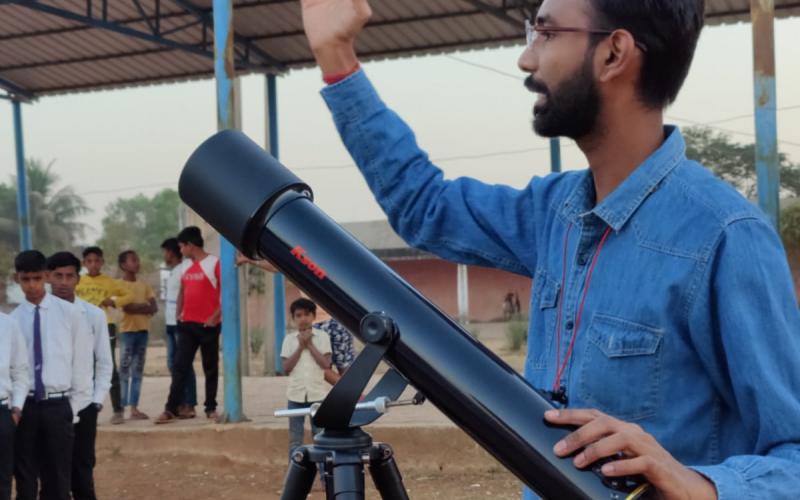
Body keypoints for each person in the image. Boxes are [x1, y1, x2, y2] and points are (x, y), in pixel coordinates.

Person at [299, 1, 800, 498]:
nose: (527, 59)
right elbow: (424, 207)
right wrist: (337, 55)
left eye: (545, 32)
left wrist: (701, 487)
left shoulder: (724, 237)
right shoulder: (553, 212)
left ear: (614, 53)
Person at [10, 250, 93, 500]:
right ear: (17, 279)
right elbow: (14, 368)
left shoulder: (70, 314)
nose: (32, 285)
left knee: (58, 477)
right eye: (26, 280)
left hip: (59, 404)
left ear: (46, 276)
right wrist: (16, 406)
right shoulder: (14, 320)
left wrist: (73, 407)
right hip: (26, 406)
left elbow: (82, 364)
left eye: (37, 278)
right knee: (25, 476)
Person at [47, 252, 113, 500]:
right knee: (51, 472)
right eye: (58, 276)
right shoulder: (38, 316)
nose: (63, 282)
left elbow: (105, 362)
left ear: (78, 279)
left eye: (69, 276)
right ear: (48, 277)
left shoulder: (93, 315)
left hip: (84, 405)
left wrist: (96, 400)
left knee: (83, 473)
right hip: (48, 405)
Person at [235, 253, 356, 382]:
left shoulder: (311, 260)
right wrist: (250, 260)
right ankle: (354, 396)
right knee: (333, 365)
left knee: (332, 366)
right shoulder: (313, 260)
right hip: (328, 321)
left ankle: (354, 396)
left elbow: (276, 267)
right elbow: (276, 267)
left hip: (328, 321)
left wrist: (250, 260)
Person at [156, 226, 221, 423]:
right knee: (179, 367)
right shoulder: (184, 266)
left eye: (182, 247)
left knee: (210, 367)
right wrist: (179, 316)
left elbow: (226, 293)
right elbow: (183, 291)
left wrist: (214, 316)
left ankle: (210, 407)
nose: (180, 251)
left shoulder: (214, 263)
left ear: (190, 246)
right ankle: (171, 408)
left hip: (209, 325)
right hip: (187, 325)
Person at [75, 246, 132, 425]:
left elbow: (128, 295)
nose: (93, 264)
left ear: (102, 262)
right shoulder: (78, 281)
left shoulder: (108, 282)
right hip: (81, 328)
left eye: (97, 261)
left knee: (109, 366)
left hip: (105, 327)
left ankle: (118, 410)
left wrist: (113, 301)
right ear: (84, 263)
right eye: (89, 261)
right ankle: (88, 409)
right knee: (85, 367)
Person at [281, 298, 332, 457]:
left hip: (318, 396)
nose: (303, 318)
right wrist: (300, 347)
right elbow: (286, 368)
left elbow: (326, 364)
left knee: (321, 437)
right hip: (295, 397)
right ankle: (295, 476)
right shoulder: (289, 340)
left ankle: (325, 476)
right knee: (295, 440)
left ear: (313, 316)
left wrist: (309, 345)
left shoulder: (323, 337)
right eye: (299, 315)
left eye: (307, 315)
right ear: (293, 318)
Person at [116, 250, 157, 421]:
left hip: (142, 331)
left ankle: (134, 408)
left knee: (138, 370)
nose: (137, 263)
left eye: (137, 259)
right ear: (124, 265)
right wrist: (143, 307)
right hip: (127, 332)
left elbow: (154, 308)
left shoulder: (144, 285)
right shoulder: (118, 285)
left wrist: (136, 306)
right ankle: (121, 407)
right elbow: (126, 308)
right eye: (133, 260)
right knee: (124, 370)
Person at [160, 238, 197, 419]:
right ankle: (180, 401)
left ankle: (189, 403)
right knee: (173, 364)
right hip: (170, 323)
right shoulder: (174, 271)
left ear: (171, 252)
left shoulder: (186, 268)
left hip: (180, 323)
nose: (164, 256)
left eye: (165, 252)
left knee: (183, 365)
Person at [0, 311, 28, 500]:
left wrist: (16, 408)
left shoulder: (9, 325)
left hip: (2, 412)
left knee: (2, 480)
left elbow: (20, 371)